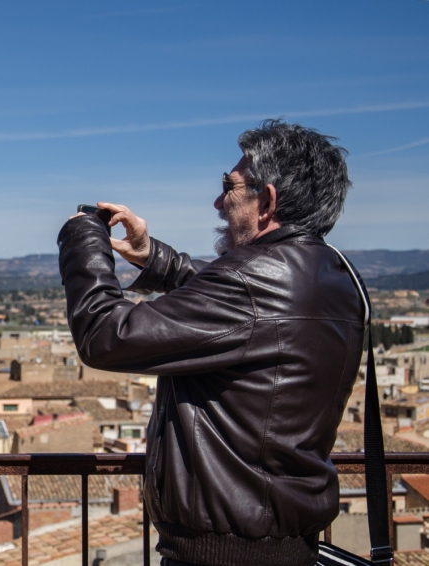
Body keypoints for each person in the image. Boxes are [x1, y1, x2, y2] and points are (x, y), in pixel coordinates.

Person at [58, 120, 361, 566]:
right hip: (284, 544)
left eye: (230, 187)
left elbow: (105, 334)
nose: (218, 202)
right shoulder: (333, 276)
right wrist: (151, 255)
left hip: (223, 552)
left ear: (268, 201)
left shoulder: (253, 282)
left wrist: (83, 238)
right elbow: (247, 314)